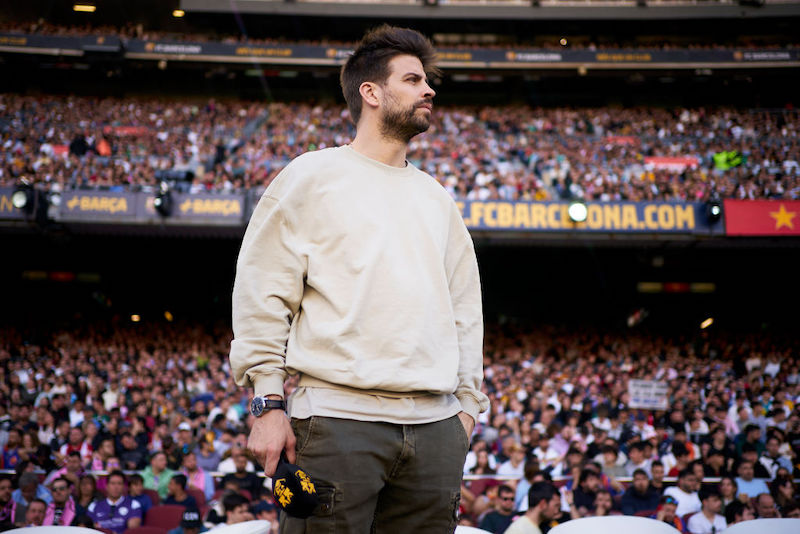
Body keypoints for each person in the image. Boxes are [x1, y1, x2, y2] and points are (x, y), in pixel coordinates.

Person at [230, 24, 488, 534]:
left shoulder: (436, 198)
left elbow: (465, 309)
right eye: (413, 80)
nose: (429, 90)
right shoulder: (310, 177)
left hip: (436, 430)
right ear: (371, 92)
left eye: (426, 81)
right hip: (335, 421)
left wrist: (466, 411)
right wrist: (268, 404)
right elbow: (263, 293)